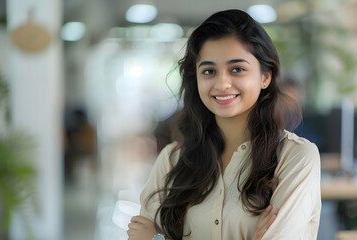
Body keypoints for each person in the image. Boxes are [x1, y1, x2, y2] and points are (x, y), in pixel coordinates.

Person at [127, 9, 321, 240]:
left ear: (265, 77)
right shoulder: (172, 161)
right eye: (209, 71)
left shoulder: (295, 158)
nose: (222, 83)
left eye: (237, 69)